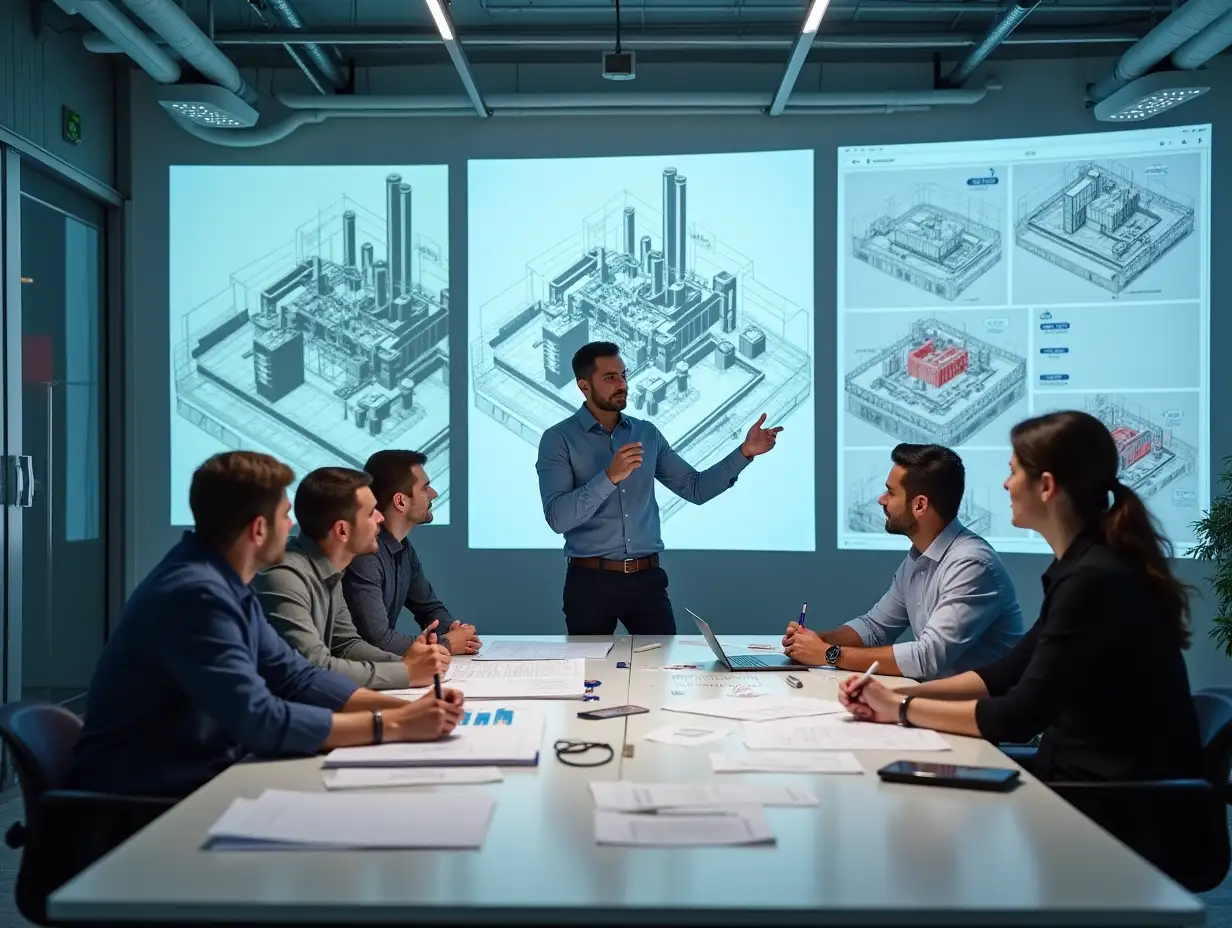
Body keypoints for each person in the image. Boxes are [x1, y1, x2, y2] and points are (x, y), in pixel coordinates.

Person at [838, 411, 1207, 878]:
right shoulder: (1082, 568)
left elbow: (1018, 714)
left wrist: (901, 710)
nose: (1006, 485)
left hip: (1111, 810)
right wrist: (898, 696)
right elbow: (1006, 673)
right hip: (1079, 786)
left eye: (1014, 472)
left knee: (910, 835)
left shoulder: (1094, 580)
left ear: (1047, 486)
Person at [70, 451, 464, 800]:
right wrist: (392, 724)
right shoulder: (197, 595)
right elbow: (259, 718)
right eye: (284, 515)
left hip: (196, 778)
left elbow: (296, 677)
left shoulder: (221, 583)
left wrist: (409, 709)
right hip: (144, 805)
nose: (294, 525)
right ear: (259, 529)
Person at [536, 341, 783, 635]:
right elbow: (557, 518)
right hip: (590, 581)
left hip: (646, 581)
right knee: (591, 677)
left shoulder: (646, 433)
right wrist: (609, 476)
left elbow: (695, 489)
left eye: (623, 375)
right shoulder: (558, 439)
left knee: (663, 673)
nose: (622, 384)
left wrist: (744, 452)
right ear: (584, 386)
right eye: (610, 378)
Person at [782, 444, 1023, 680]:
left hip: (980, 713)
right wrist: (815, 641)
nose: (881, 499)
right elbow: (875, 628)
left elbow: (927, 658)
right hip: (941, 703)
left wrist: (828, 654)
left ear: (920, 505)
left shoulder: (971, 564)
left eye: (891, 492)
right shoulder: (920, 556)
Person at [255, 466, 450, 690]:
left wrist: (410, 664)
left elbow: (346, 645)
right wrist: (406, 672)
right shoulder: (284, 578)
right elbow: (313, 668)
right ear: (342, 531)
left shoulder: (329, 569)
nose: (380, 517)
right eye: (370, 512)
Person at [343, 450, 481, 656]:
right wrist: (446, 644)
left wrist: (456, 631)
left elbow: (429, 608)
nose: (433, 493)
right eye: (425, 488)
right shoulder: (365, 555)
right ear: (400, 502)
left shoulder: (404, 549)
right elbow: (377, 640)